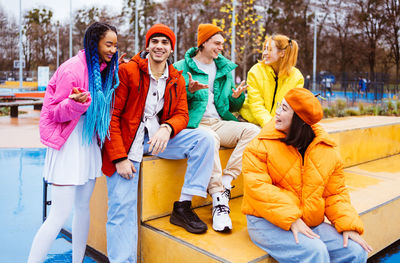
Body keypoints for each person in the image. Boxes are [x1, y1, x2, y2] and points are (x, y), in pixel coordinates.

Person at [102, 24, 215, 263]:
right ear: (147, 45)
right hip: (127, 143)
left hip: (157, 139)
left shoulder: (176, 77)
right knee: (122, 207)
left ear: (171, 49)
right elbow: (111, 116)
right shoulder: (128, 71)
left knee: (205, 139)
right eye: (155, 41)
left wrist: (167, 127)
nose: (159, 47)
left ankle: (183, 205)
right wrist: (119, 158)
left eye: (165, 42)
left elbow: (183, 114)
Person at [242, 88, 373, 263]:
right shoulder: (259, 145)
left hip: (308, 221)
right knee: (315, 252)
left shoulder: (327, 151)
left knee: (355, 251)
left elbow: (335, 194)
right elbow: (257, 187)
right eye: (280, 106)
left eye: (284, 109)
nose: (277, 112)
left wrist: (348, 226)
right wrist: (291, 218)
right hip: (265, 220)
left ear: (299, 120)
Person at [28, 22, 119, 263]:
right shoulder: (72, 69)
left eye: (115, 45)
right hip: (69, 145)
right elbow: (54, 113)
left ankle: (77, 261)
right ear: (94, 43)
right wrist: (76, 103)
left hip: (87, 144)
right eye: (108, 44)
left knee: (82, 208)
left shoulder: (102, 69)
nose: (113, 50)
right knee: (58, 215)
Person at [174, 23, 260, 232]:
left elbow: (228, 106)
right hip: (195, 124)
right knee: (209, 138)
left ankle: (227, 180)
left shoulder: (223, 69)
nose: (221, 47)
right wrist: (190, 90)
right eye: (217, 43)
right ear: (203, 43)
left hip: (218, 122)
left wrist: (237, 97)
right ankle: (218, 199)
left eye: (222, 43)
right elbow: (173, 102)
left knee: (254, 131)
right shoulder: (180, 67)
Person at [239, 34, 304, 128]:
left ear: (282, 53)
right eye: (264, 49)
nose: (264, 53)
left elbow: (292, 108)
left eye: (269, 49)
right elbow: (256, 104)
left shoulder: (297, 77)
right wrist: (270, 127)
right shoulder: (256, 71)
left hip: (278, 125)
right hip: (251, 122)